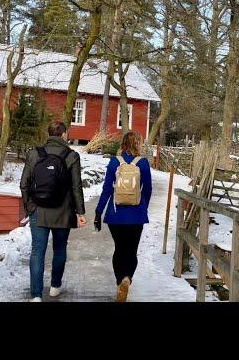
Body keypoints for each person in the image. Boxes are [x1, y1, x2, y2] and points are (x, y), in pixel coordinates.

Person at [20, 121, 86, 302]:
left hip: (39, 211)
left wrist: (29, 207)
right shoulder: (72, 156)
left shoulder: (34, 154)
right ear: (64, 134)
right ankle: (55, 286)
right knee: (59, 249)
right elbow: (76, 187)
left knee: (37, 251)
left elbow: (24, 184)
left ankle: (35, 295)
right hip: (63, 212)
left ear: (49, 134)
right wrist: (80, 213)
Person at [94, 131, 152, 302]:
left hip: (115, 215)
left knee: (119, 249)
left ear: (124, 143)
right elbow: (148, 190)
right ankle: (127, 278)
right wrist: (143, 208)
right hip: (136, 216)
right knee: (131, 251)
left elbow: (106, 190)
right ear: (138, 144)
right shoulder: (143, 163)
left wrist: (98, 212)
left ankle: (120, 281)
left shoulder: (114, 162)